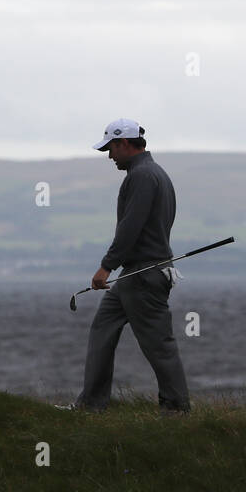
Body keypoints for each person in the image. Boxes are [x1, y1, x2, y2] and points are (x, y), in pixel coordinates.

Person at [74, 117, 190, 416]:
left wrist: (105, 267)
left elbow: (131, 227)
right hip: (137, 274)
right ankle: (91, 405)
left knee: (159, 345)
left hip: (144, 276)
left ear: (124, 143)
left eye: (111, 149)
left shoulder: (141, 176)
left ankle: (176, 410)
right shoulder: (155, 173)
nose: (109, 156)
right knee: (102, 329)